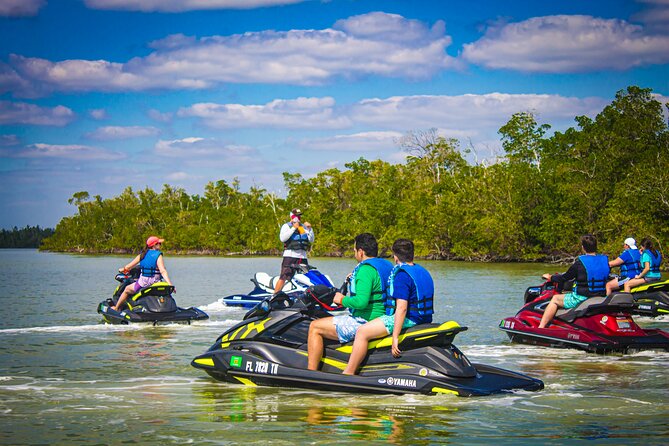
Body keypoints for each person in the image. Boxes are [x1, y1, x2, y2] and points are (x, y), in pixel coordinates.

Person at [342, 238, 434, 375]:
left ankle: (348, 373)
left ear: (395, 256)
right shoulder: (422, 271)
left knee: (362, 332)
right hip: (425, 318)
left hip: (410, 319)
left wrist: (395, 338)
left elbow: (401, 308)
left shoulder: (402, 276)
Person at [307, 233, 392, 371]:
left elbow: (361, 302)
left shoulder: (365, 270)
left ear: (361, 252)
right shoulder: (386, 264)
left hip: (365, 320)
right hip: (383, 318)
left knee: (315, 327)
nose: (354, 254)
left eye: (354, 250)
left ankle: (311, 373)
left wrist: (341, 299)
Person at [539, 234, 610, 328]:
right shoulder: (604, 260)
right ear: (596, 247)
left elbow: (564, 278)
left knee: (555, 299)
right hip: (600, 296)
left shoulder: (580, 263)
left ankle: (541, 327)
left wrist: (550, 277)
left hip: (582, 297)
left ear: (583, 248)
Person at [111, 236, 174, 311]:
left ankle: (117, 308)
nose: (160, 245)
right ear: (154, 245)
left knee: (126, 290)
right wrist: (170, 284)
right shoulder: (158, 255)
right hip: (156, 282)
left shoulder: (142, 255)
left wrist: (122, 269)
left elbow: (128, 267)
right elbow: (163, 271)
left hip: (143, 282)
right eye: (159, 243)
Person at [273, 208, 314, 294]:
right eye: (296, 216)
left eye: (299, 216)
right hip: (290, 256)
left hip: (302, 257)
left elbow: (311, 240)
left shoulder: (303, 227)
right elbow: (282, 238)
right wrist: (293, 228)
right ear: (292, 216)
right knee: (284, 277)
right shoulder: (286, 226)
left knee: (306, 277)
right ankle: (274, 295)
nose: (298, 218)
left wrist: (310, 229)